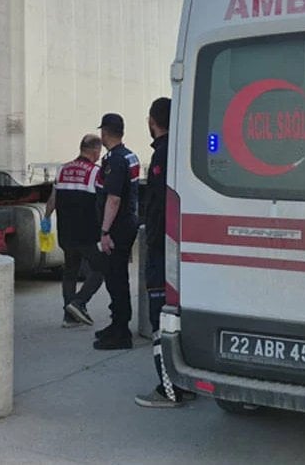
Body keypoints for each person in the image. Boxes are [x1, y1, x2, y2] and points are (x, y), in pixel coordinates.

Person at [134, 98, 196, 407]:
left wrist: (152, 240)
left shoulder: (162, 153)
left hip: (162, 251)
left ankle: (169, 389)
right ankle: (186, 380)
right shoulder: (182, 149)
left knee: (160, 320)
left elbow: (158, 206)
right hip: (181, 248)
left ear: (153, 121)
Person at [43, 134, 106, 328]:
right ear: (95, 151)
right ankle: (79, 302)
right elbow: (102, 203)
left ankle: (69, 317)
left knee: (70, 271)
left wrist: (46, 218)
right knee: (102, 267)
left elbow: (53, 199)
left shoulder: (62, 169)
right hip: (87, 233)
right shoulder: (96, 172)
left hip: (66, 233)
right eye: (99, 152)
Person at [91, 112, 141, 351]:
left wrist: (104, 231)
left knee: (116, 279)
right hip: (127, 223)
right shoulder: (129, 155)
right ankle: (117, 324)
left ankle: (121, 332)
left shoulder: (115, 160)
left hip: (117, 228)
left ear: (105, 133)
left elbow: (113, 199)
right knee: (117, 277)